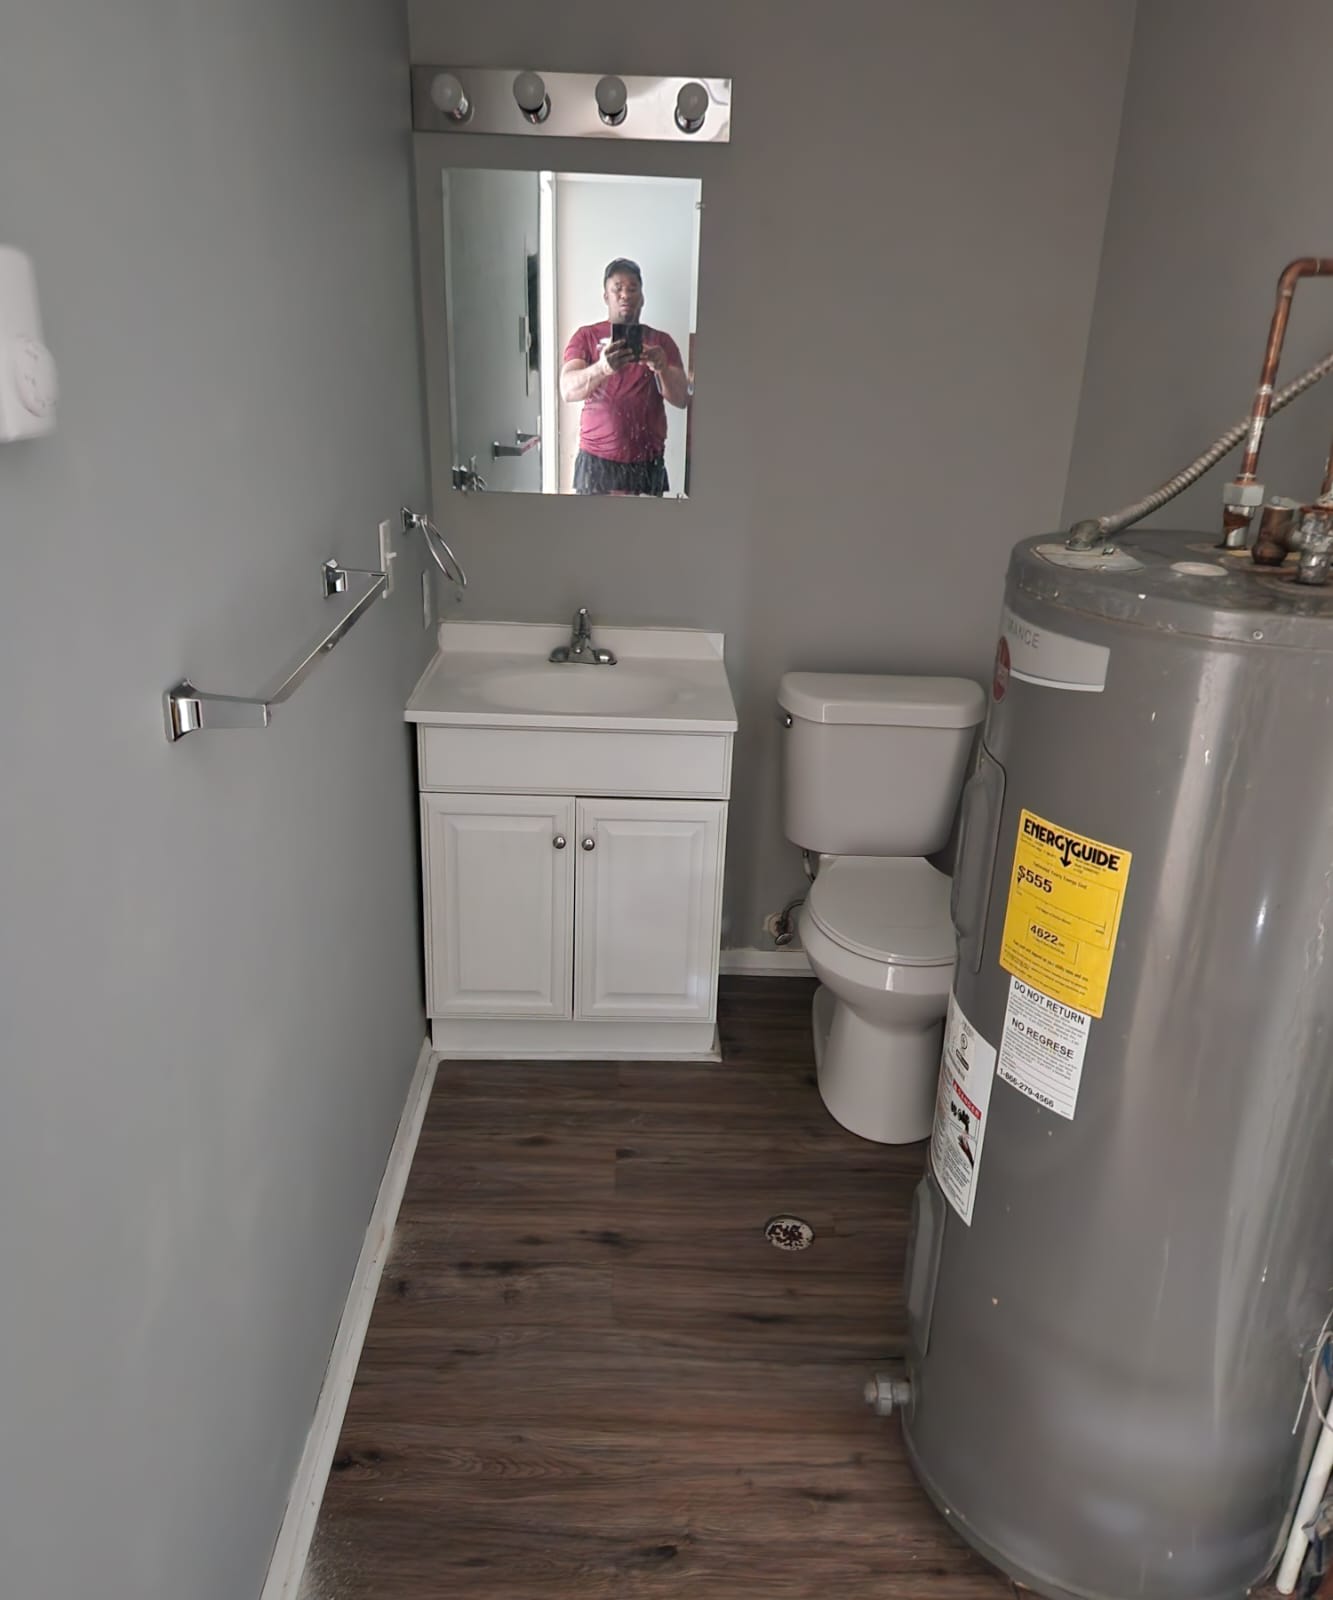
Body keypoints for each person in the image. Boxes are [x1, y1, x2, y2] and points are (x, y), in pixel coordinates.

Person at [559, 258, 689, 496]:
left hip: (647, 463)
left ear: (642, 297)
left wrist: (662, 368)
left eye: (632, 289)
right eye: (617, 289)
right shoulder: (586, 336)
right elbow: (567, 390)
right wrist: (602, 368)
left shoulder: (661, 342)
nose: (625, 295)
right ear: (606, 296)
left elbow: (682, 399)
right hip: (596, 462)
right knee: (591, 523)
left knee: (647, 523)